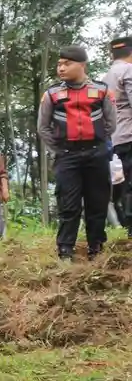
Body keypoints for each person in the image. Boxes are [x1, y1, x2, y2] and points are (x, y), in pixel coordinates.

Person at [37, 45, 116, 260]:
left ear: (82, 65)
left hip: (96, 154)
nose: (61, 68)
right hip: (67, 156)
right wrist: (60, 149)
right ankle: (65, 250)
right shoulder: (52, 93)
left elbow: (111, 124)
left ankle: (96, 247)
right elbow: (43, 127)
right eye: (59, 64)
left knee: (97, 202)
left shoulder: (101, 90)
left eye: (67, 64)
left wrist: (97, 143)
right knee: (68, 205)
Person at [104, 36, 132, 231]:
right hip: (131, 134)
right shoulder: (128, 70)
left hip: (117, 138)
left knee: (128, 182)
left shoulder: (106, 77)